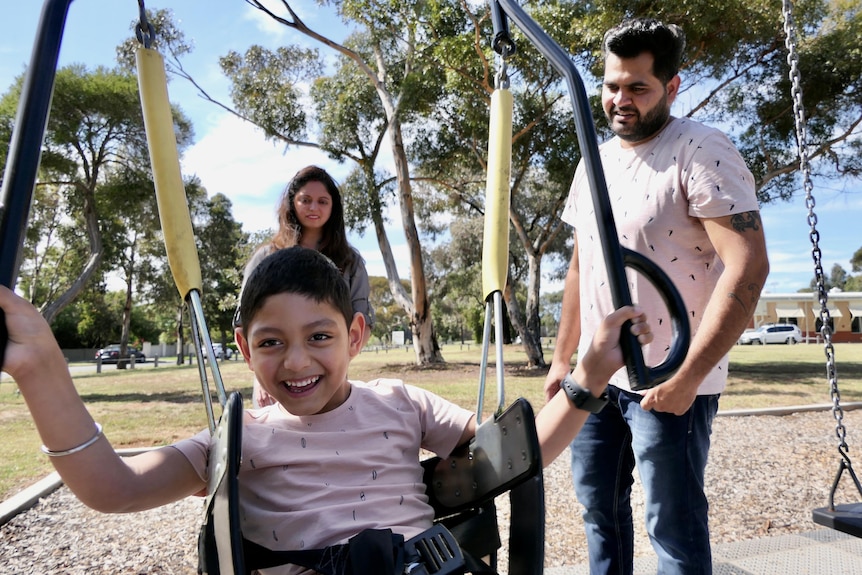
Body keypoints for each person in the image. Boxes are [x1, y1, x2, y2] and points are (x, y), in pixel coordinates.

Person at [0, 246, 651, 575]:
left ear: (357, 336)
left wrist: (589, 375)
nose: (296, 362)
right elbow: (112, 487)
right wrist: (40, 368)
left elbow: (515, 453)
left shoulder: (400, 402)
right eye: (271, 343)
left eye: (319, 336)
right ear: (243, 349)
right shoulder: (240, 438)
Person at [543, 18, 770, 575]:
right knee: (598, 511)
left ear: (671, 86)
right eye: (612, 85)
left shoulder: (701, 150)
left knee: (672, 527)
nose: (620, 100)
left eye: (638, 87)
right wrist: (561, 356)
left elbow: (748, 267)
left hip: (671, 380)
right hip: (599, 377)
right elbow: (581, 265)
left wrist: (688, 376)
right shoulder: (591, 162)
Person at [239, 165, 375, 407]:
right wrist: (260, 378)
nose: (314, 208)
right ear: (292, 204)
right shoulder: (266, 257)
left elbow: (362, 319)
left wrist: (335, 370)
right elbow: (245, 322)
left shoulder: (350, 262)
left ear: (334, 207)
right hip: (274, 386)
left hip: (329, 381)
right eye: (306, 200)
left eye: (323, 201)